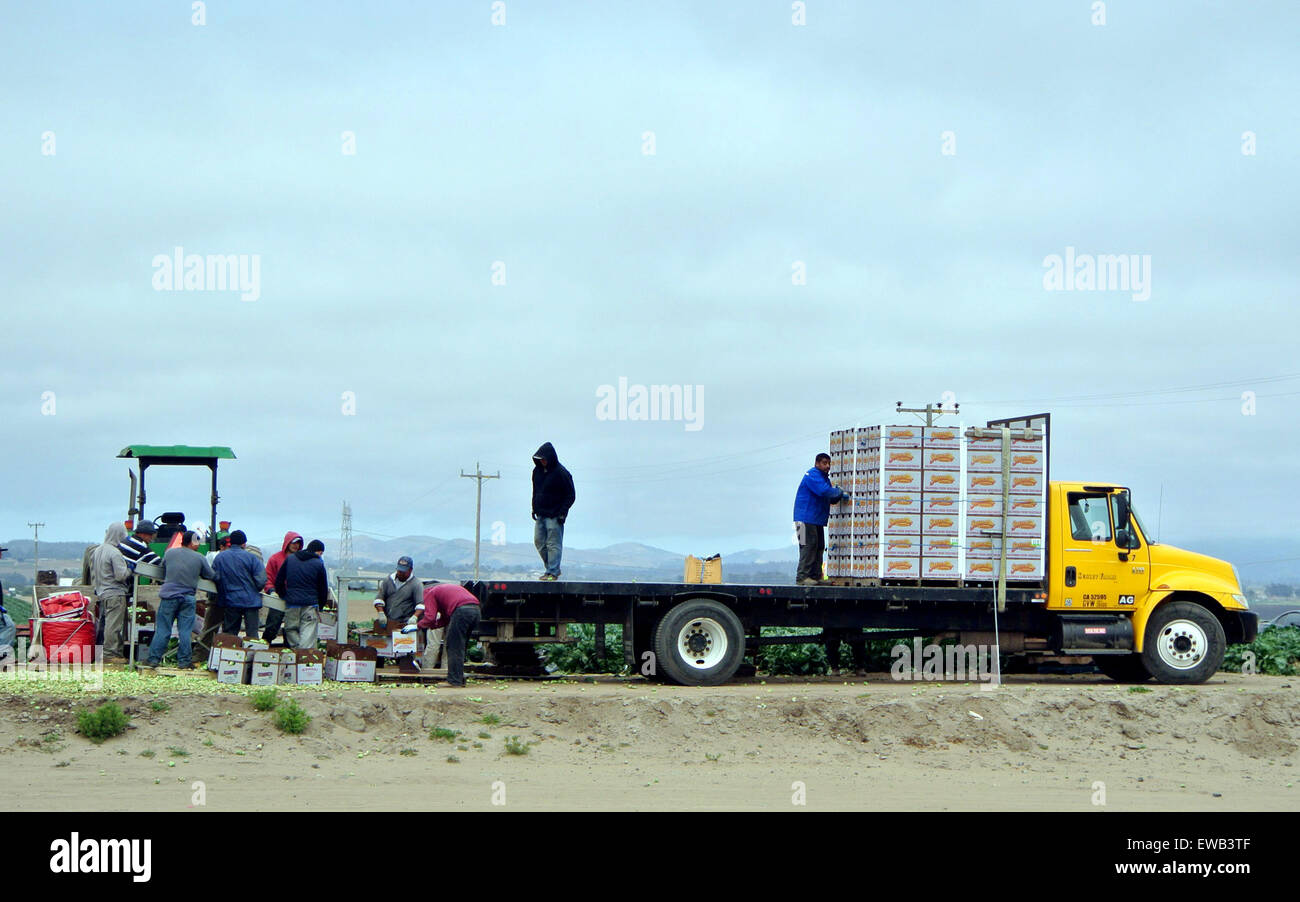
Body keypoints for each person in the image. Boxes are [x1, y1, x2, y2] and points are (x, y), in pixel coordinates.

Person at [144, 531, 216, 670]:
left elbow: (163, 568)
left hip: (169, 597)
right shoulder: (200, 558)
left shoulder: (170, 553)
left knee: (163, 630)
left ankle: (153, 660)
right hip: (187, 598)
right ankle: (184, 662)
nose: (198, 546)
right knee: (185, 631)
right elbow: (210, 575)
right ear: (192, 542)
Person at [793, 453, 850, 585]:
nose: (827, 466)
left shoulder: (824, 479)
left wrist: (838, 495)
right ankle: (802, 578)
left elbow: (830, 497)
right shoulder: (812, 475)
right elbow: (824, 492)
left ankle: (816, 576)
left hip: (815, 520)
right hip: (803, 519)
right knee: (807, 546)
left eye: (829, 463)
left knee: (819, 546)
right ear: (817, 463)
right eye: (824, 463)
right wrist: (839, 492)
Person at [415, 583, 480, 687]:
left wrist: (417, 626)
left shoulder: (429, 593)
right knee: (461, 646)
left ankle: (454, 681)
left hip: (461, 611)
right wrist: (434, 626)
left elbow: (430, 617)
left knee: (453, 646)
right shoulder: (443, 591)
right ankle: (459, 677)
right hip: (475, 610)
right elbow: (445, 619)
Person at [531, 442, 575, 581]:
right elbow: (535, 491)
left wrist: (562, 513)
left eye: (544, 459)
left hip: (555, 515)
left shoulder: (561, 473)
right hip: (541, 514)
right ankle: (551, 568)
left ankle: (552, 572)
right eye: (540, 459)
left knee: (553, 544)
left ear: (550, 458)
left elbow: (570, 495)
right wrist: (534, 508)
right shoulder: (536, 472)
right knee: (539, 542)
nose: (542, 461)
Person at [373, 555, 423, 674]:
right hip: (388, 620)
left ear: (410, 570)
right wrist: (381, 612)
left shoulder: (416, 584)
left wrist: (414, 617)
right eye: (399, 570)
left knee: (404, 648)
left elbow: (420, 604)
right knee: (382, 645)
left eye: (404, 572)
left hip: (404, 621)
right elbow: (379, 598)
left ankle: (405, 667)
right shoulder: (387, 581)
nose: (401, 573)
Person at [212, 530, 267, 638]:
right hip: (251, 602)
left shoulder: (220, 557)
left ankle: (229, 654)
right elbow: (261, 580)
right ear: (244, 543)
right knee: (252, 636)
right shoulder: (252, 558)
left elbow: (215, 577)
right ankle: (252, 654)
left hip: (230, 601)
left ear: (230, 542)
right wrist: (254, 590)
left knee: (230, 636)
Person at [275, 538, 328, 649]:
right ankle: (303, 656)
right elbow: (323, 588)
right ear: (318, 551)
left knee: (291, 628)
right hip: (310, 604)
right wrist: (321, 605)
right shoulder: (318, 563)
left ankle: (296, 652)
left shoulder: (290, 559)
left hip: (292, 603)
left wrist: (284, 595)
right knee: (308, 631)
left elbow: (279, 580)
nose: (321, 555)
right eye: (321, 553)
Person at [91, 523, 133, 663]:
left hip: (102, 592)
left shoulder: (98, 550)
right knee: (113, 625)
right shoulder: (115, 553)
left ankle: (102, 652)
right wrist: (131, 570)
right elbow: (121, 575)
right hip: (115, 593)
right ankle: (110, 654)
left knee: (105, 623)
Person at [261, 531, 303, 643]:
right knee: (272, 625)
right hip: (278, 597)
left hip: (295, 599)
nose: (296, 545)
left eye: (298, 543)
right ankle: (265, 645)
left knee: (293, 627)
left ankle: (290, 649)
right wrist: (271, 590)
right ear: (287, 543)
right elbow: (268, 577)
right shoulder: (275, 559)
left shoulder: (302, 560)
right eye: (293, 542)